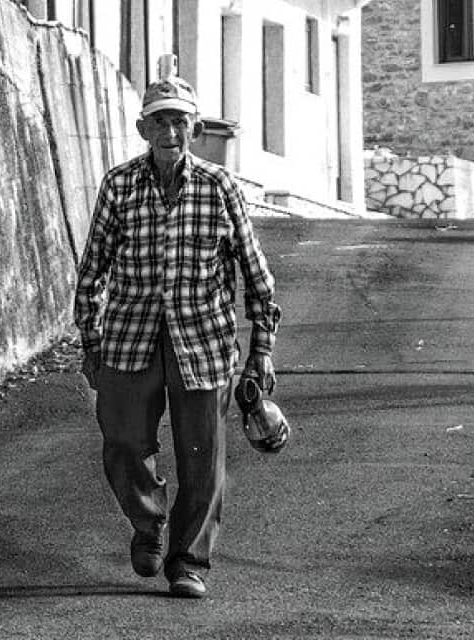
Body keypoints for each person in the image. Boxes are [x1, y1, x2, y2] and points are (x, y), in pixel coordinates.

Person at [73, 72, 281, 599]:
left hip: (204, 340)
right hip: (128, 337)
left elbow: (256, 275)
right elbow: (93, 267)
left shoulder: (219, 187)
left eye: (180, 121)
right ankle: (148, 523)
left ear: (196, 128)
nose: (170, 131)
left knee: (201, 456)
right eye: (160, 121)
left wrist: (261, 352)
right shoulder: (119, 186)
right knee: (122, 444)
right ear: (143, 127)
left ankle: (188, 561)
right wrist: (90, 342)